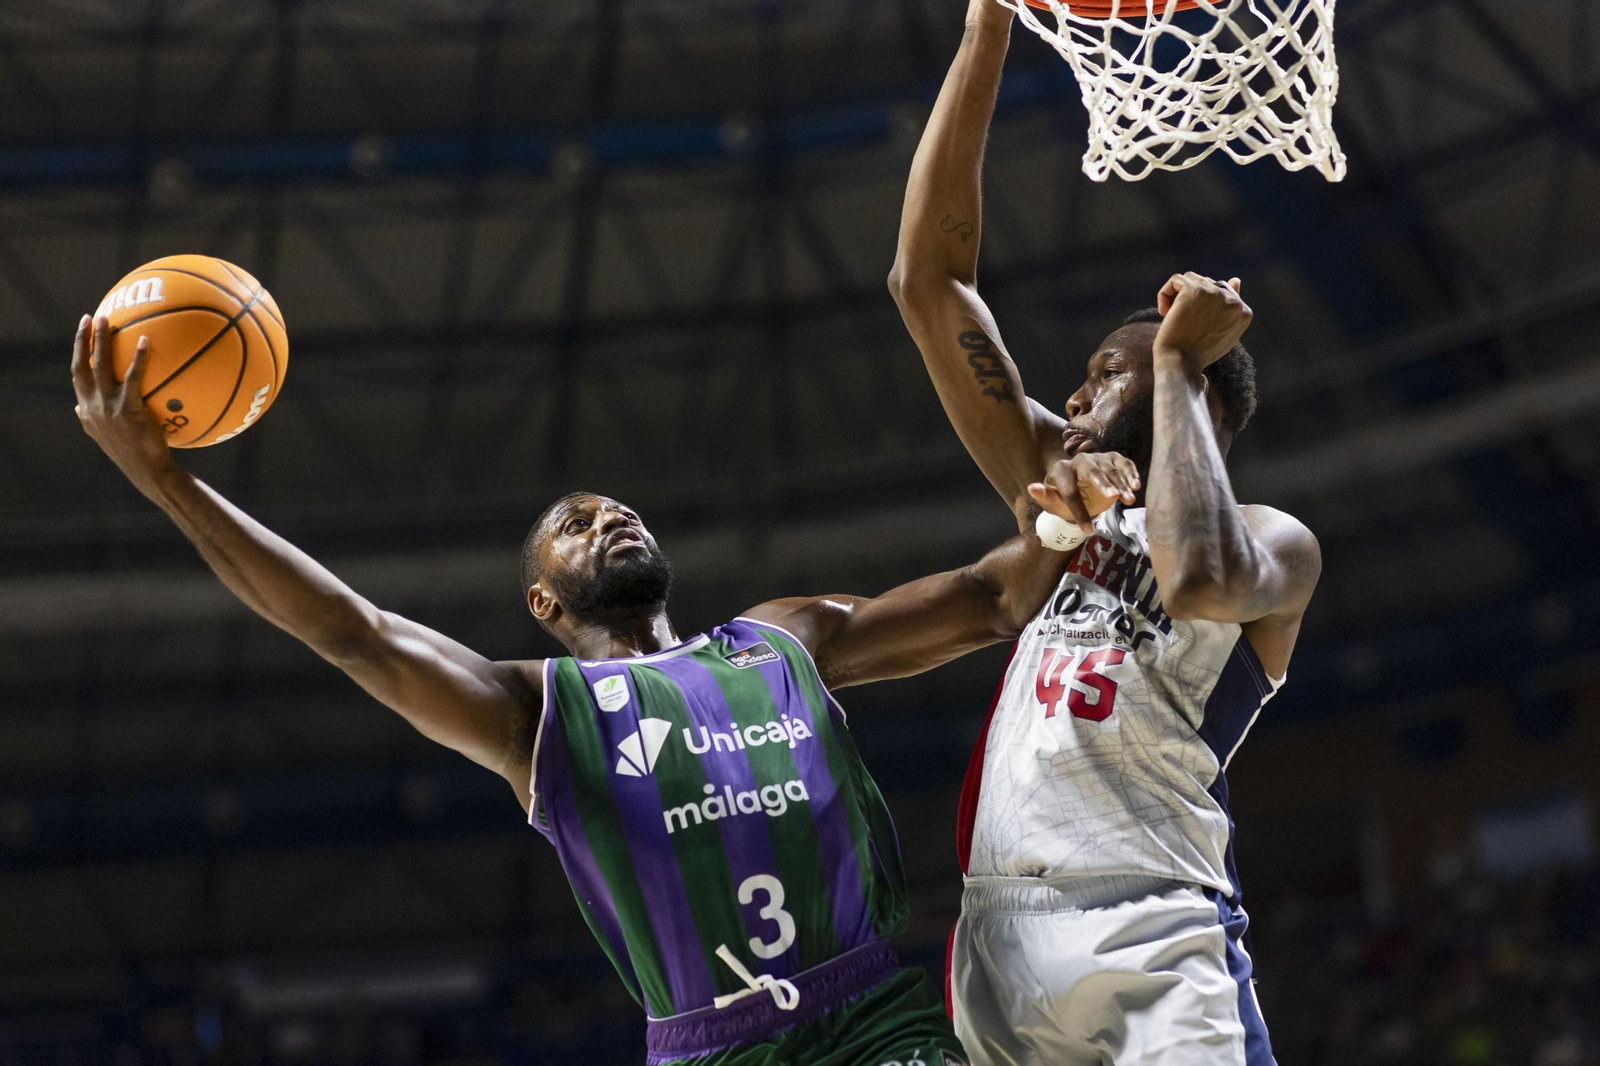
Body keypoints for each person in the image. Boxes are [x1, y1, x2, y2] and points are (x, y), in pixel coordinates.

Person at [70, 313, 1087, 1066]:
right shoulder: (536, 712)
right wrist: (167, 479)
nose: (609, 516)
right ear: (545, 602)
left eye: (620, 508)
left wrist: (1074, 508)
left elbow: (989, 599)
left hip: (873, 1019)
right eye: (577, 519)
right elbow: (352, 631)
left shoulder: (782, 640)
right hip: (714, 1049)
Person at [886, 2, 1323, 1064]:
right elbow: (929, 283)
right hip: (994, 938)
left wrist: (1171, 361)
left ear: (1195, 396)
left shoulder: (1277, 541)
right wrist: (987, 24)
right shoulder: (1060, 494)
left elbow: (1200, 579)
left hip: (1151, 924)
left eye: (1101, 376)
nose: (1072, 403)